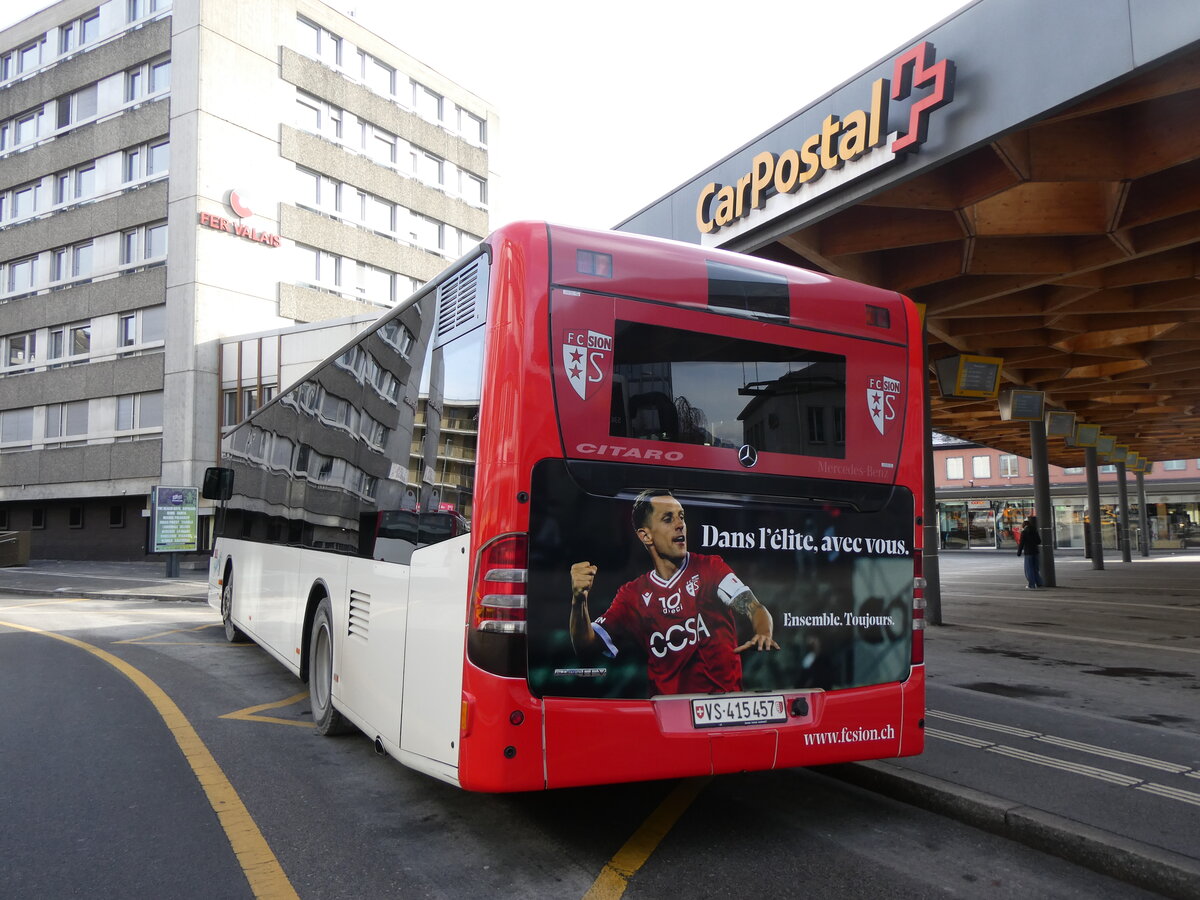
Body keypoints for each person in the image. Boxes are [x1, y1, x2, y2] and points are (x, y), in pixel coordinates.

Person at [568, 489, 778, 696]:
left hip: (723, 709)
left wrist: (763, 632)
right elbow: (586, 646)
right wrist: (579, 601)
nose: (680, 525)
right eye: (668, 519)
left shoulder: (710, 567)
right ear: (646, 535)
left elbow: (754, 607)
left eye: (681, 517)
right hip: (670, 716)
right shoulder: (633, 595)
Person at [1016, 515, 1044, 589]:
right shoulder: (1035, 531)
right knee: (1035, 568)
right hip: (1035, 551)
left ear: (1024, 525)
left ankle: (1031, 584)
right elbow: (1039, 541)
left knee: (1029, 569)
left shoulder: (1024, 532)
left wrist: (1019, 552)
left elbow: (1021, 543)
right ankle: (1039, 583)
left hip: (1028, 552)